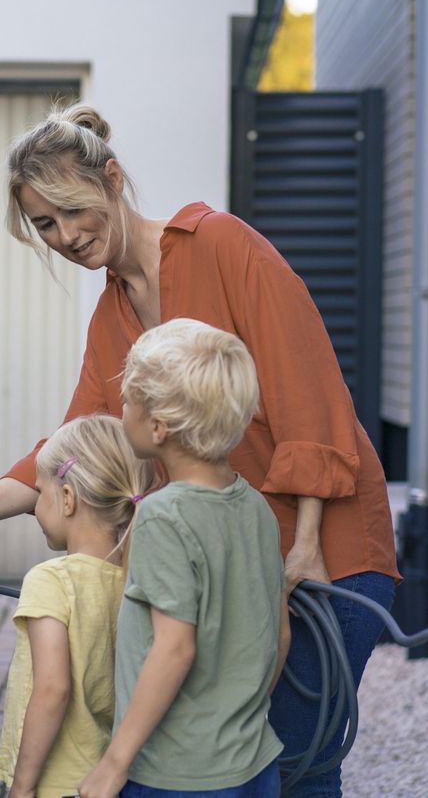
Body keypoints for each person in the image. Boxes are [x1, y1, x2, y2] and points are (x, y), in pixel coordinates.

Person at [0, 104, 401, 797]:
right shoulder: (111, 315)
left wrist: (308, 545)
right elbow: (75, 450)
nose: (65, 236)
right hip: (237, 573)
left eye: (72, 211)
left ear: (111, 180)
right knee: (250, 761)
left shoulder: (221, 245)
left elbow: (310, 388)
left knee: (297, 760)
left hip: (325, 554)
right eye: (44, 225)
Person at [79, 318, 288, 797]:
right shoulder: (256, 506)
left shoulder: (162, 515)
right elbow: (279, 632)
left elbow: (174, 648)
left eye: (129, 399)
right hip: (252, 760)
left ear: (158, 426)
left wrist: (114, 765)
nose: (122, 406)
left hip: (175, 775)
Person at [0, 414, 155, 798]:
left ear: (67, 499)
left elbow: (53, 689)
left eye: (39, 494)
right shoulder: (136, 580)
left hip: (54, 783)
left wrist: (22, 786)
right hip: (105, 775)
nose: (35, 509)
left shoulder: (51, 581)